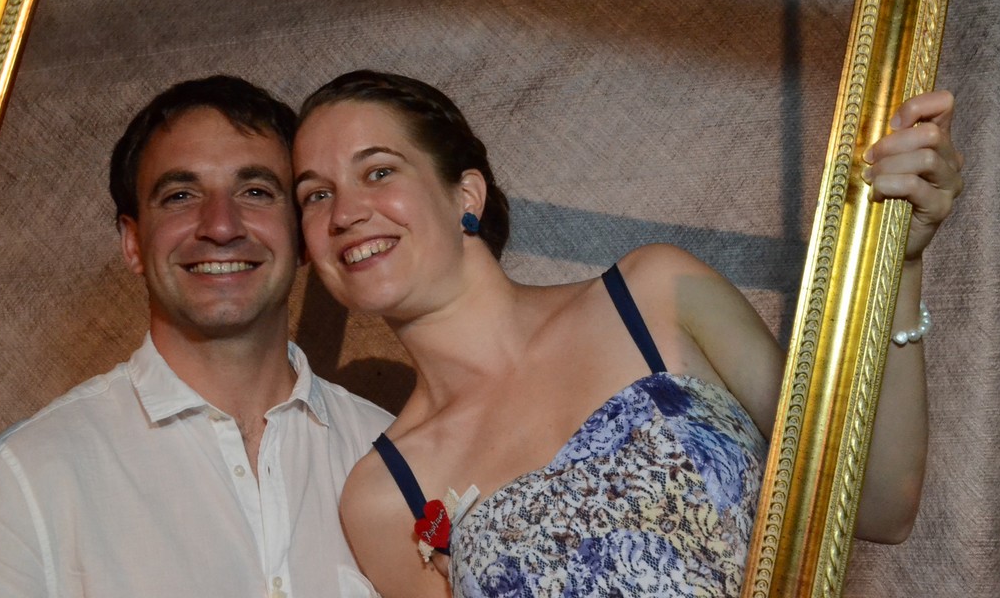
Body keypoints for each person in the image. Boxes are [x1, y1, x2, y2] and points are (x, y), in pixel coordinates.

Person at [290, 70, 964, 598]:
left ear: (466, 195)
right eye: (316, 195)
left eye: (378, 171)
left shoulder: (654, 294)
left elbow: (878, 505)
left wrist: (901, 264)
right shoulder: (383, 499)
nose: (344, 212)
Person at [0, 76, 393, 598]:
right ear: (133, 243)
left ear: (302, 236)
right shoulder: (27, 477)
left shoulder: (390, 456)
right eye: (180, 196)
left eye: (255, 192)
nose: (221, 226)